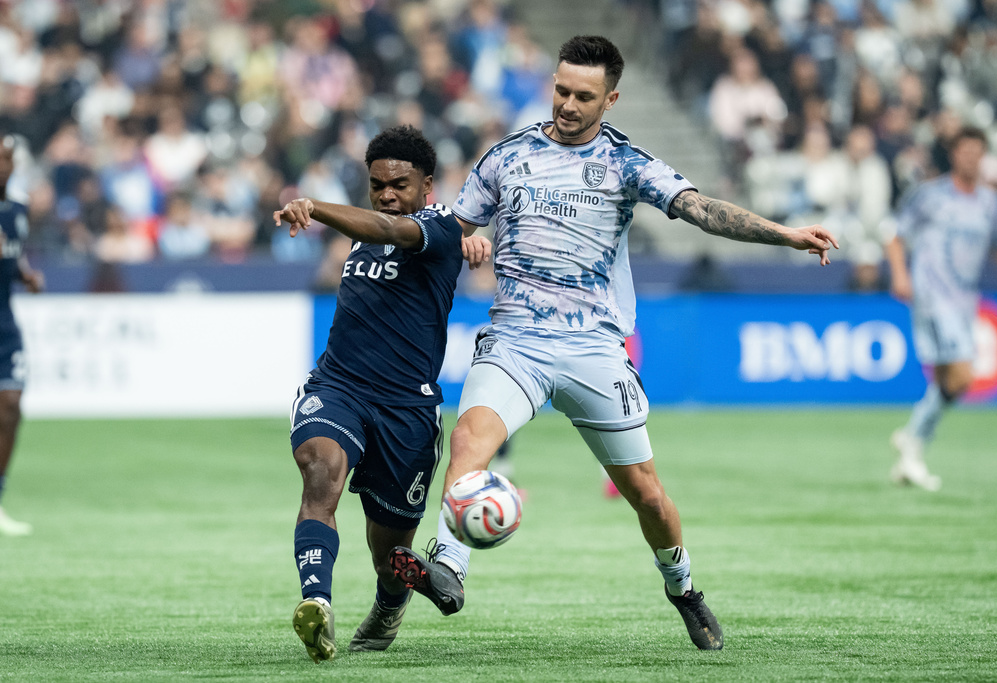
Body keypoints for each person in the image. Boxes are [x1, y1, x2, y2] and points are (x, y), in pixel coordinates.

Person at [388, 35, 839, 652]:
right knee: (468, 439)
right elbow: (452, 228)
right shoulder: (507, 156)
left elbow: (700, 209)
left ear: (611, 98)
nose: (568, 104)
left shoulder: (626, 162)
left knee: (648, 496)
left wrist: (785, 235)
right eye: (561, 90)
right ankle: (449, 569)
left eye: (583, 96)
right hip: (516, 340)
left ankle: (684, 590)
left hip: (595, 349)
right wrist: (458, 240)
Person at [273, 125, 490, 662]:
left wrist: (314, 207)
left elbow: (393, 229)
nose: (388, 193)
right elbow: (376, 226)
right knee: (320, 470)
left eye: (400, 183)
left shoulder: (439, 227)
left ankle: (389, 605)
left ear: (427, 186)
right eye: (377, 184)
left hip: (407, 411)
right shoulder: (363, 229)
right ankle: (316, 604)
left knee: (387, 552)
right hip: (338, 386)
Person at [886, 127, 997, 491]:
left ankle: (911, 442)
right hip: (932, 295)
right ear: (953, 155)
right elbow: (896, 236)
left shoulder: (994, 203)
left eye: (978, 152)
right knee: (961, 375)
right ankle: (914, 443)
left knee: (951, 381)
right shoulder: (929, 195)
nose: (971, 158)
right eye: (965, 151)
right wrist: (900, 275)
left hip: (965, 300)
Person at [0, 135, 45, 536]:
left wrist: (26, 275)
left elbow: (13, 258)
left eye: (8, 160)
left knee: (11, 406)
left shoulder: (16, 210)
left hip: (4, 323)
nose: (3, 167)